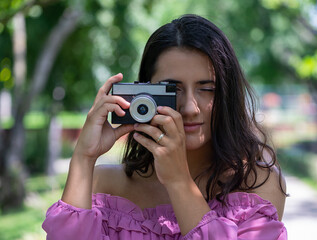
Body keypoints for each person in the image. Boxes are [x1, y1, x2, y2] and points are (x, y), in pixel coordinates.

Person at [43, 14, 287, 240]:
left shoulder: (258, 185)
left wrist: (178, 181)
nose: (190, 108)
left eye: (208, 89)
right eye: (172, 89)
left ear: (228, 94)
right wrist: (84, 158)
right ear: (144, 92)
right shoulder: (104, 185)